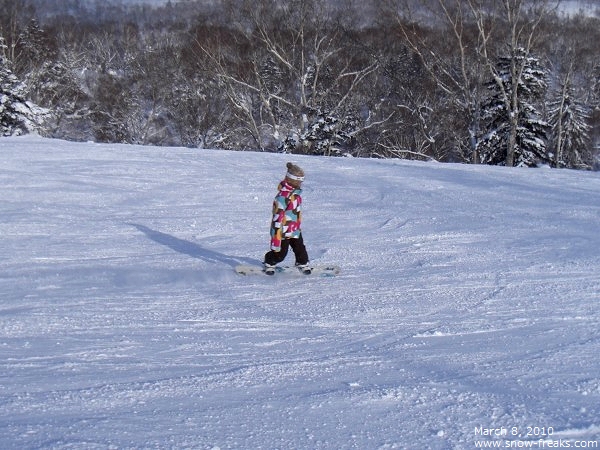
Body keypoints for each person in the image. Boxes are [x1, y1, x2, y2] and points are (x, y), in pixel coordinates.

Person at [263, 162, 311, 275]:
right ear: (291, 181)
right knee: (280, 254)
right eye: (299, 182)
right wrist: (275, 237)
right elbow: (277, 217)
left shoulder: (296, 195)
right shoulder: (282, 198)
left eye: (301, 182)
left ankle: (302, 262)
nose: (300, 184)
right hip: (282, 231)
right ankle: (269, 261)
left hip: (294, 229)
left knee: (300, 248)